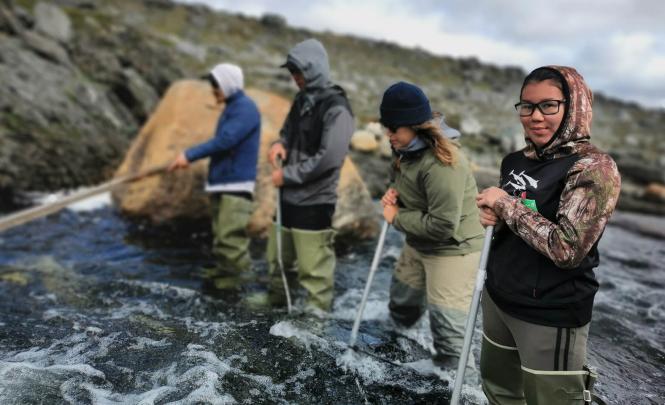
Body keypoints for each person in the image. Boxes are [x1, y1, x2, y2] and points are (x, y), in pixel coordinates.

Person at [475, 66, 621, 404]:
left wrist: (507, 206)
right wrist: (495, 217)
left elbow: (567, 249)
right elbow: (518, 219)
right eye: (526, 106)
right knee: (499, 392)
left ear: (574, 106)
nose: (535, 117)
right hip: (498, 298)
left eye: (548, 105)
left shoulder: (594, 168)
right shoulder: (514, 161)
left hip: (549, 314)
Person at [379, 82, 485, 370]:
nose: (388, 135)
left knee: (448, 335)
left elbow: (442, 225)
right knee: (401, 306)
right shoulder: (402, 148)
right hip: (418, 240)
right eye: (386, 127)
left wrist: (395, 217)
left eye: (394, 129)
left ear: (416, 127)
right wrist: (395, 195)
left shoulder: (443, 164)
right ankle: (395, 354)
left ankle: (459, 386)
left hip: (454, 249)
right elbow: (406, 183)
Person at [265, 38, 354, 311]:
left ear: (314, 68)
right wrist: (278, 144)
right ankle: (276, 304)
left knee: (314, 272)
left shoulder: (337, 107)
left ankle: (315, 322)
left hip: (315, 201)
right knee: (278, 259)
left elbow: (329, 159)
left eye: (298, 72)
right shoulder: (301, 100)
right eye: (292, 73)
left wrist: (287, 175)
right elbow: (286, 132)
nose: (295, 78)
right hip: (287, 198)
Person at [169, 63, 261, 287]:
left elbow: (226, 140)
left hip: (235, 187)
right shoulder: (232, 107)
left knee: (231, 242)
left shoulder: (245, 108)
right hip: (223, 185)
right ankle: (224, 277)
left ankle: (241, 287)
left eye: (216, 84)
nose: (213, 89)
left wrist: (189, 155)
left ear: (229, 84)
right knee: (222, 239)